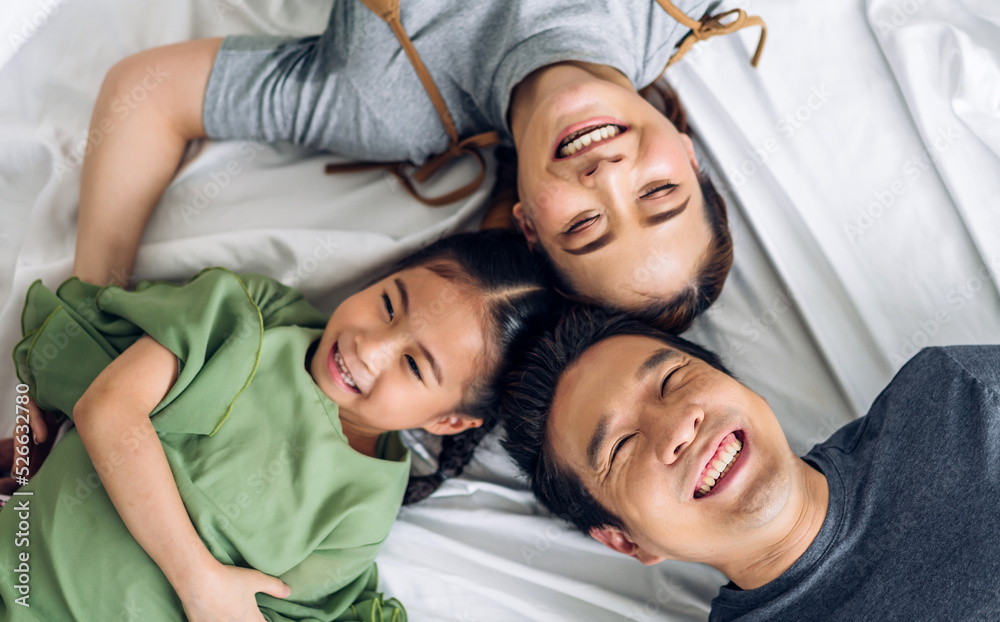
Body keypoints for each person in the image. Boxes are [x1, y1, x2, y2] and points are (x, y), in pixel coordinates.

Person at [70, 0, 764, 332]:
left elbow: (149, 96)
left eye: (585, 226)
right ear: (688, 149)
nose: (607, 175)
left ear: (526, 225)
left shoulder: (386, 104)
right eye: (659, 192)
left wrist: (81, 318)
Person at [0, 230, 555, 621]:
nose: (370, 347)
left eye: (414, 365)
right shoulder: (254, 318)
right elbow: (108, 409)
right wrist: (198, 576)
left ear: (449, 419)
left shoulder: (362, 511)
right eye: (388, 304)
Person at [500, 307, 1000, 621]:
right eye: (621, 447)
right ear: (627, 540)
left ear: (733, 380)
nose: (679, 427)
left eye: (674, 380)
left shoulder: (956, 395)